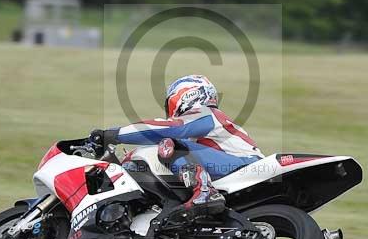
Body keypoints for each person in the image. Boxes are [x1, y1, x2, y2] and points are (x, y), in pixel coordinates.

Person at [91, 75, 263, 220]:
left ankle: (204, 192)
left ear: (184, 96)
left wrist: (114, 134)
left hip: (245, 164)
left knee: (169, 143)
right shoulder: (199, 134)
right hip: (234, 172)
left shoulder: (208, 114)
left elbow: (172, 128)